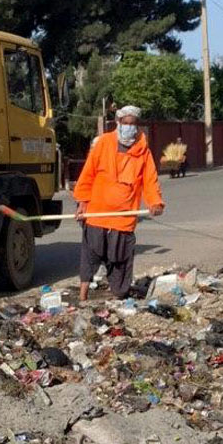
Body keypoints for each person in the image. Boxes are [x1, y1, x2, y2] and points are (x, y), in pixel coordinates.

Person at [73, 106, 165, 302]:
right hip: (97, 213)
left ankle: (119, 295)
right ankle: (82, 296)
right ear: (118, 123)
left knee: (121, 259)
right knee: (90, 256)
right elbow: (88, 173)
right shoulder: (104, 143)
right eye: (126, 123)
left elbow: (150, 180)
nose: (129, 127)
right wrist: (82, 202)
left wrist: (155, 202)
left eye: (133, 124)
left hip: (123, 217)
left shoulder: (143, 151)